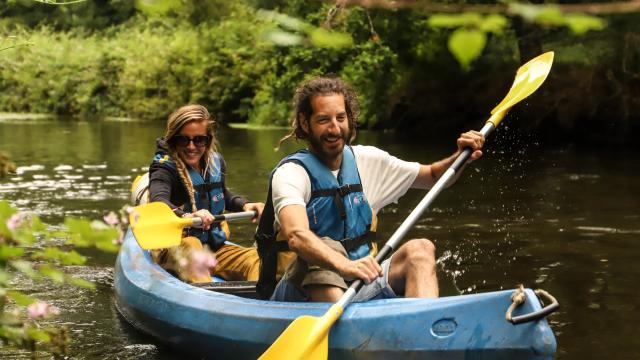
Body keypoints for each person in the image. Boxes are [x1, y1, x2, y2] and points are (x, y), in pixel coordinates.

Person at [261, 76, 485, 302]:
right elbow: (296, 236)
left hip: (360, 283)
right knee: (325, 252)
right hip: (301, 292)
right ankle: (347, 331)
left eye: (341, 118)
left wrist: (460, 157)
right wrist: (345, 266)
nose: (335, 128)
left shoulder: (368, 160)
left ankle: (422, 324)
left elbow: (435, 176)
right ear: (305, 122)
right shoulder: (291, 173)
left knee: (421, 249)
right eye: (323, 120)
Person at [147, 104, 273, 283]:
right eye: (184, 140)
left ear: (208, 139)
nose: (192, 147)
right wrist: (189, 215)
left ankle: (259, 303)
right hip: (176, 245)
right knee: (192, 245)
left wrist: (245, 204)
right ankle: (207, 296)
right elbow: (158, 201)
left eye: (198, 140)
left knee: (255, 260)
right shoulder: (164, 166)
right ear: (173, 139)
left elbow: (222, 195)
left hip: (214, 247)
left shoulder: (216, 162)